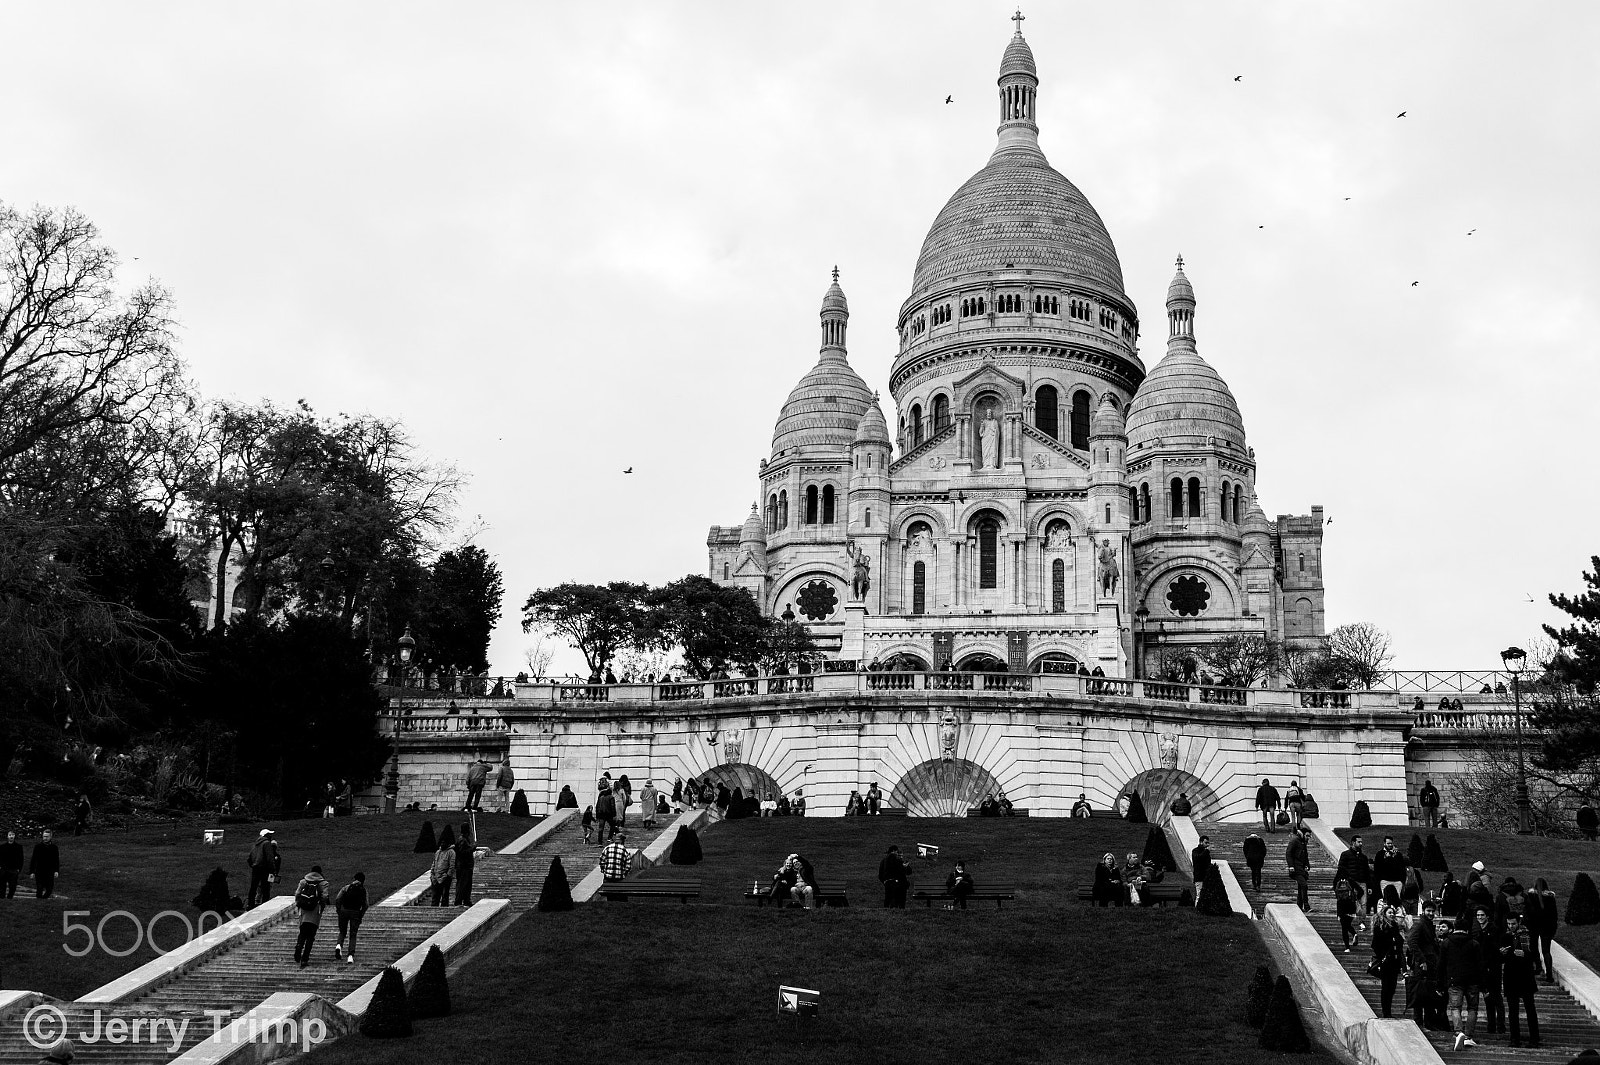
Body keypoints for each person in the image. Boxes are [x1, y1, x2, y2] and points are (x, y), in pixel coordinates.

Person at [1440, 913, 1484, 1051]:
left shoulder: (1446, 942)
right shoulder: (1474, 943)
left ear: (1454, 928)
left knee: (1455, 1008)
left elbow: (1441, 964)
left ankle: (1459, 1032)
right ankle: (1469, 1036)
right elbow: (1480, 965)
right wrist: (1483, 984)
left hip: (1454, 980)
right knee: (1472, 1008)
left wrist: (1440, 983)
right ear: (1467, 929)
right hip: (1472, 980)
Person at [1501, 912, 1541, 1048]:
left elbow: (1535, 954)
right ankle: (1514, 1038)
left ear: (1518, 922)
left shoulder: (1528, 935)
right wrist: (1503, 952)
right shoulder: (1506, 936)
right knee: (1513, 1011)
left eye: (1513, 923)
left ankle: (1534, 1039)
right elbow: (1501, 956)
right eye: (1509, 924)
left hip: (1525, 976)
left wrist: (1525, 954)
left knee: (1530, 1009)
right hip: (1511, 976)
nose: (1511, 926)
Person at [1372, 904, 1407, 1017]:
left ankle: (1388, 1011)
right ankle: (1386, 1012)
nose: (1392, 915)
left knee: (1392, 988)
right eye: (1389, 913)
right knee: (1386, 987)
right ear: (1384, 914)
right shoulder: (1380, 927)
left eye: (1393, 913)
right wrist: (1383, 956)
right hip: (1386, 962)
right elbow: (1375, 944)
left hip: (1395, 961)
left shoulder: (1395, 927)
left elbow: (1399, 946)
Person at [291, 865, 328, 968]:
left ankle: (299, 946)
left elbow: (297, 893)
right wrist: (321, 906)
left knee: (302, 932)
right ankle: (305, 959)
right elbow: (324, 896)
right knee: (311, 936)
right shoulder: (323, 883)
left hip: (304, 911)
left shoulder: (304, 881)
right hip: (315, 911)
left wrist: (299, 904)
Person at [333, 871, 368, 965]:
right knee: (353, 934)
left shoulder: (347, 887)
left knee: (342, 931)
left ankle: (339, 945)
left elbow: (338, 898)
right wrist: (361, 915)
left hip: (344, 911)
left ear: (354, 878)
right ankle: (350, 956)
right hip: (355, 912)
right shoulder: (363, 890)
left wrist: (339, 909)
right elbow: (366, 905)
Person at [1335, 836, 1374, 916]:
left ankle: (1362, 922)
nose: (1361, 844)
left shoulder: (1363, 857)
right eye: (1359, 842)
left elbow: (1367, 872)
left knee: (1363, 903)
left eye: (1361, 842)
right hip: (1351, 883)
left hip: (1362, 883)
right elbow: (1341, 869)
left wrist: (1369, 886)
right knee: (1352, 902)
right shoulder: (1345, 855)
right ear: (1353, 843)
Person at [1530, 877, 1558, 982]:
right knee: (1546, 951)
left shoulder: (1531, 896)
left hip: (1534, 926)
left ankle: (1538, 967)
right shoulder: (1550, 897)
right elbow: (1554, 915)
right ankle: (1549, 975)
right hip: (1547, 927)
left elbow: (1529, 911)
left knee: (1534, 947)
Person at [1373, 837, 1408, 907]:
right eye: (1388, 843)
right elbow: (1378, 868)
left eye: (1391, 843)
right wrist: (1386, 858)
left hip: (1397, 881)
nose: (1390, 845)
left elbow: (1401, 868)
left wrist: (1402, 881)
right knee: (1385, 900)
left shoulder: (1398, 854)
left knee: (1397, 900)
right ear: (1384, 844)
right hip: (1384, 880)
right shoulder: (1380, 854)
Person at [29, 829, 60, 899]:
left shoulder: (54, 848)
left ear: (50, 837)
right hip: (39, 871)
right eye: (44, 836)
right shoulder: (38, 847)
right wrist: (32, 871)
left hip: (50, 871)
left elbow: (56, 860)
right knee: (39, 888)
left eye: (47, 836)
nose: (45, 838)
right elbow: (33, 860)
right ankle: (39, 901)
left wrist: (56, 871)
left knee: (49, 889)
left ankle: (44, 900)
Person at [1286, 827, 1311, 912]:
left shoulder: (1303, 842)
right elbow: (1288, 853)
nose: (1308, 838)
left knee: (1301, 887)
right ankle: (1306, 906)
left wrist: (1307, 865)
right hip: (1296, 868)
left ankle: (1299, 906)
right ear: (1302, 834)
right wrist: (1291, 866)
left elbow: (1305, 855)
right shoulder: (1295, 841)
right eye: (1307, 836)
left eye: (1309, 836)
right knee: (1304, 885)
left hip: (1301, 869)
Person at [1335, 879, 1361, 952]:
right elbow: (1360, 891)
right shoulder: (1350, 888)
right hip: (1351, 911)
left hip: (1343, 912)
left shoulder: (1339, 889)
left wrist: (1338, 914)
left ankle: (1347, 947)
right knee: (1347, 925)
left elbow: (1339, 903)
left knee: (1344, 929)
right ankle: (1354, 934)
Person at [429, 837, 456, 906]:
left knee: (444, 897)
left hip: (445, 878)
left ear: (448, 844)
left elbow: (452, 866)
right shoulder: (438, 852)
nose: (442, 844)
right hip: (435, 878)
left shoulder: (451, 852)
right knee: (435, 897)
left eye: (444, 843)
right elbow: (434, 864)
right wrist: (432, 875)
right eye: (441, 843)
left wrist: (446, 876)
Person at [454, 824, 476, 906]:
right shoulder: (462, 840)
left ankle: (466, 900)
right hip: (463, 866)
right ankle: (459, 901)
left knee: (467, 884)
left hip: (467, 866)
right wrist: (472, 848)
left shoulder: (465, 839)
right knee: (462, 884)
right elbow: (461, 852)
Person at [1190, 835, 1214, 906]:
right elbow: (1198, 859)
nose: (1208, 844)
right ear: (1201, 842)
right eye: (1206, 843)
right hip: (1199, 877)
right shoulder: (1195, 851)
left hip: (1206, 877)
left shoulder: (1205, 852)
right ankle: (1197, 910)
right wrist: (1206, 851)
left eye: (1208, 843)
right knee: (1199, 895)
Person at [0, 830, 23, 899]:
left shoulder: (19, 847)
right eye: (10, 835)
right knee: (2, 885)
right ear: (7, 836)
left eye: (12, 835)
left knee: (13, 886)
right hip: (3, 869)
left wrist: (19, 869)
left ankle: (10, 897)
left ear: (14, 836)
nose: (11, 836)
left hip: (14, 870)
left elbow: (21, 858)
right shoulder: (2, 846)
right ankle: (2, 898)